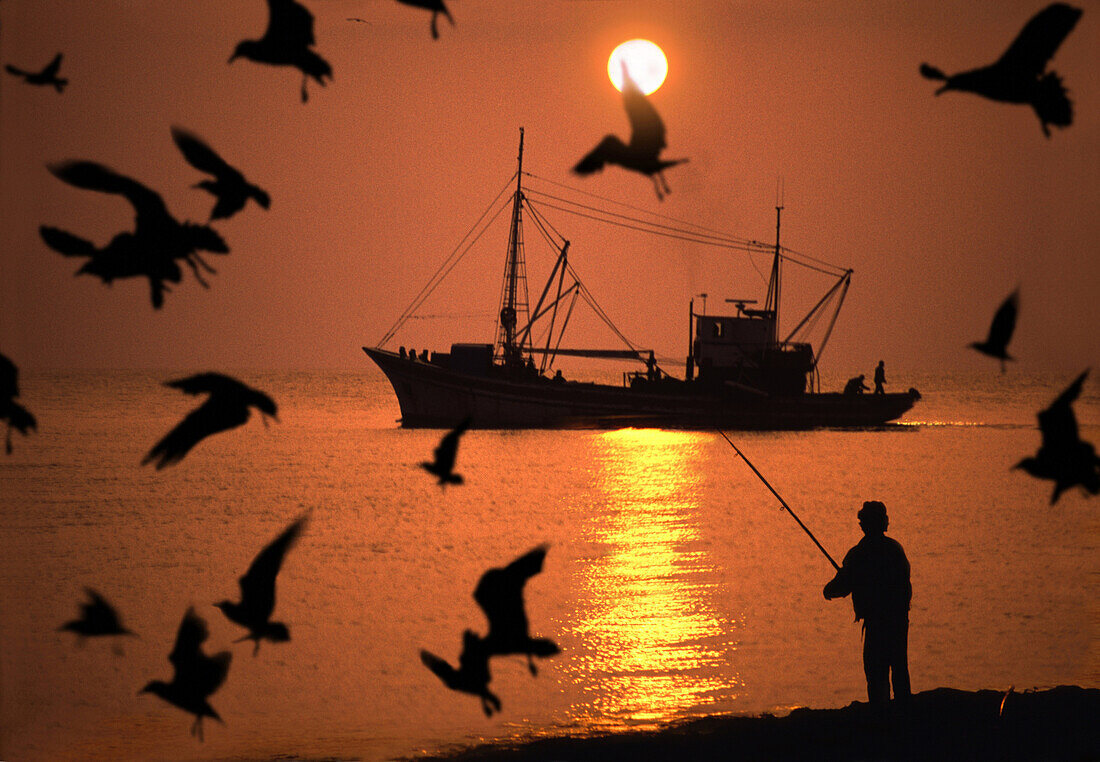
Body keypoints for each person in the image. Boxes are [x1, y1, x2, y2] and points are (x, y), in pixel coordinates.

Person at [823, 501, 912, 707]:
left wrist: (828, 590)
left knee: (875, 671)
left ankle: (881, 716)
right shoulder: (895, 550)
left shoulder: (858, 554)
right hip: (898, 620)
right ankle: (904, 712)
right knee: (899, 667)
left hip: (876, 623)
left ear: (864, 525)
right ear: (884, 523)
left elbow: (841, 586)